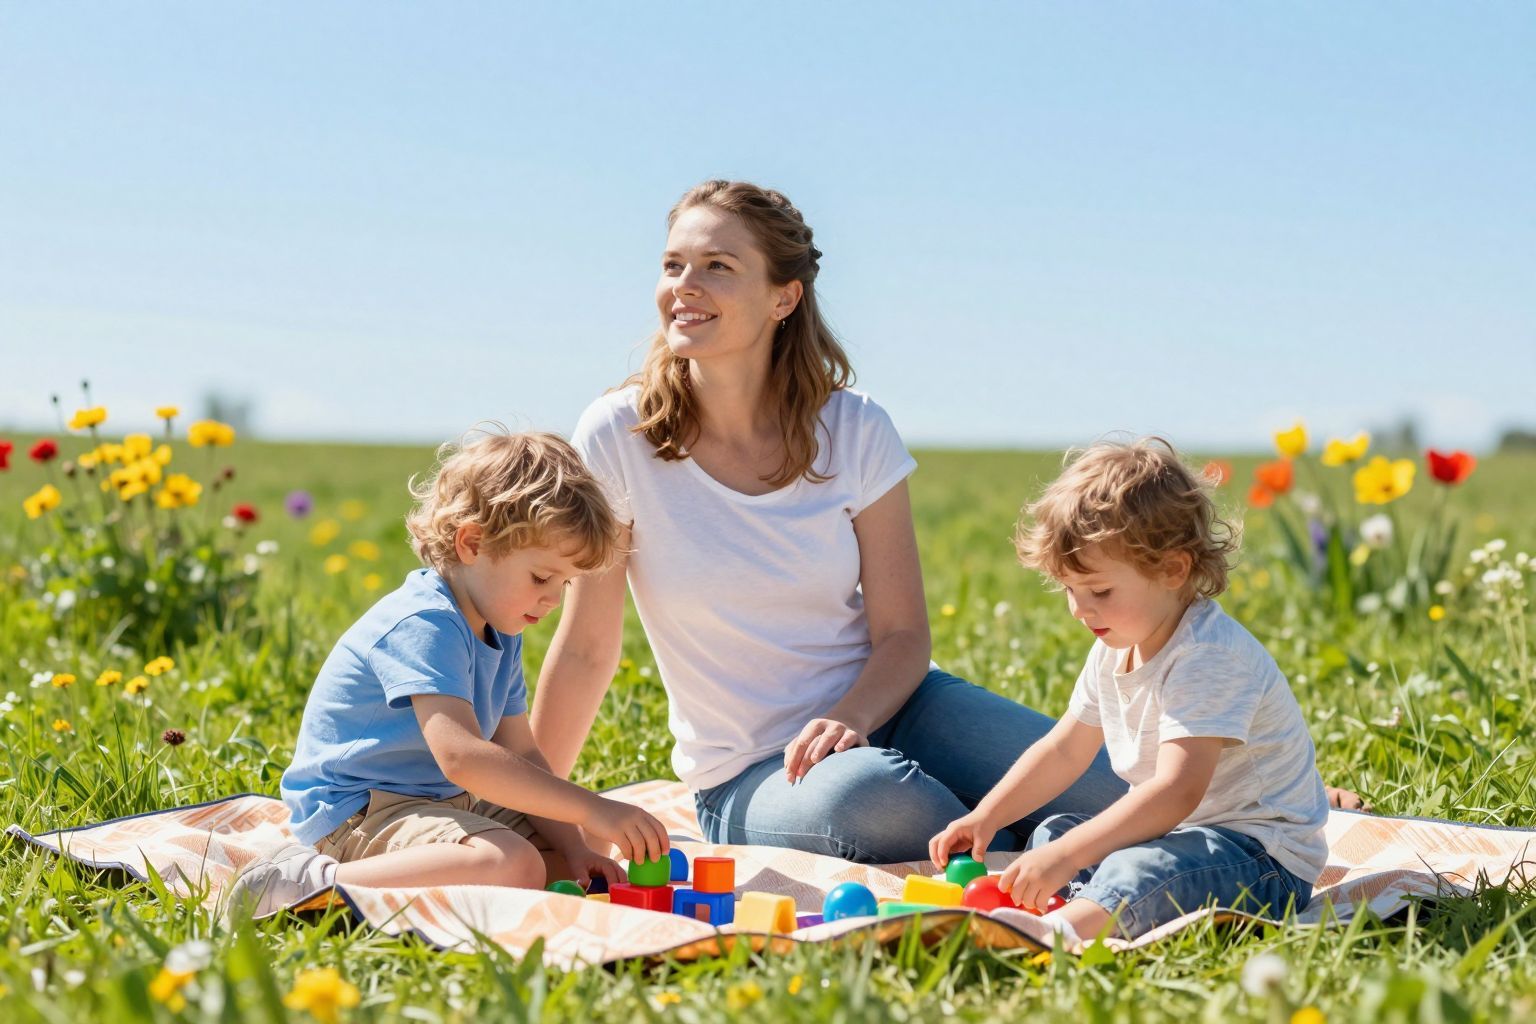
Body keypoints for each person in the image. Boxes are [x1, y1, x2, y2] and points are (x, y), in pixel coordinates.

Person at [530, 179, 1136, 864]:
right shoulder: (619, 435)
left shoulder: (855, 427)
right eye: (674, 265)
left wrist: (850, 718)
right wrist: (531, 810)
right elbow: (585, 649)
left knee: (1110, 787)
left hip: (901, 709)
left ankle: (1042, 836)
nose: (684, 286)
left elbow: (904, 635)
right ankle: (1031, 839)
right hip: (754, 773)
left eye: (717, 267)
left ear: (783, 298)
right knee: (876, 802)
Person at [226, 430, 669, 917]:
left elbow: (520, 750)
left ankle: (484, 870)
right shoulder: (425, 622)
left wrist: (579, 847)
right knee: (511, 862)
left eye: (564, 584)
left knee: (582, 855)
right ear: (471, 543)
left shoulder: (499, 631)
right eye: (542, 577)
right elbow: (461, 756)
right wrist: (592, 806)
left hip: (441, 802)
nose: (552, 599)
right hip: (359, 812)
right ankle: (310, 883)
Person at [930, 438, 1328, 944]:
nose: (1079, 609)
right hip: (1180, 839)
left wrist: (1072, 856)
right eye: (1069, 590)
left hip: (1260, 859)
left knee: (1126, 864)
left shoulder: (1207, 656)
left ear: (1172, 569)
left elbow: (1176, 791)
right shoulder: (1115, 647)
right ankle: (1080, 903)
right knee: (1054, 832)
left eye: (1099, 591)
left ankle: (1050, 935)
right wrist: (987, 816)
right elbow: (1063, 749)